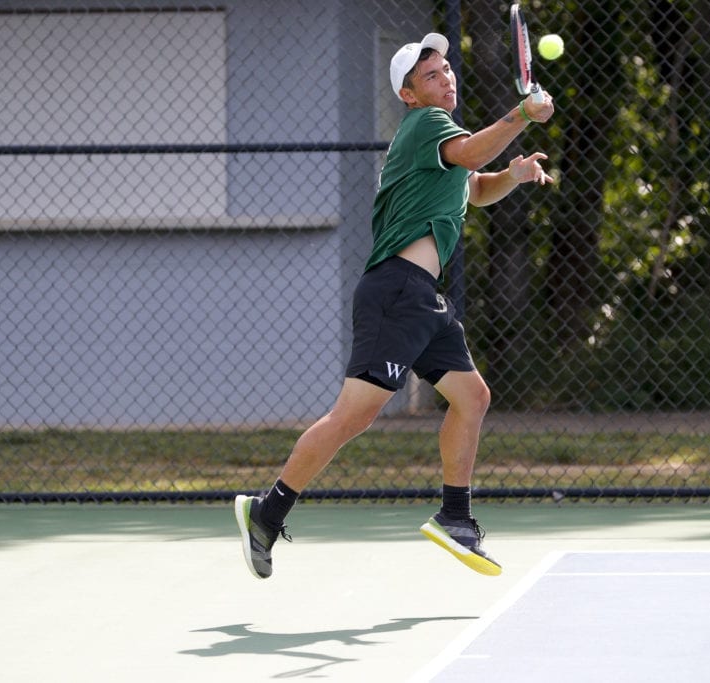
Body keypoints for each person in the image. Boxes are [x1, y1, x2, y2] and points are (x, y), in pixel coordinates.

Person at [234, 32, 554, 579]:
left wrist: (515, 175)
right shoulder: (425, 126)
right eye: (431, 76)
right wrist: (522, 113)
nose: (446, 78)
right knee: (352, 418)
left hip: (424, 297)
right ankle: (267, 512)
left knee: (471, 396)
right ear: (408, 95)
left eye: (447, 69)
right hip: (395, 291)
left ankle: (455, 517)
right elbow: (473, 152)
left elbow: (474, 187)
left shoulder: (439, 140)